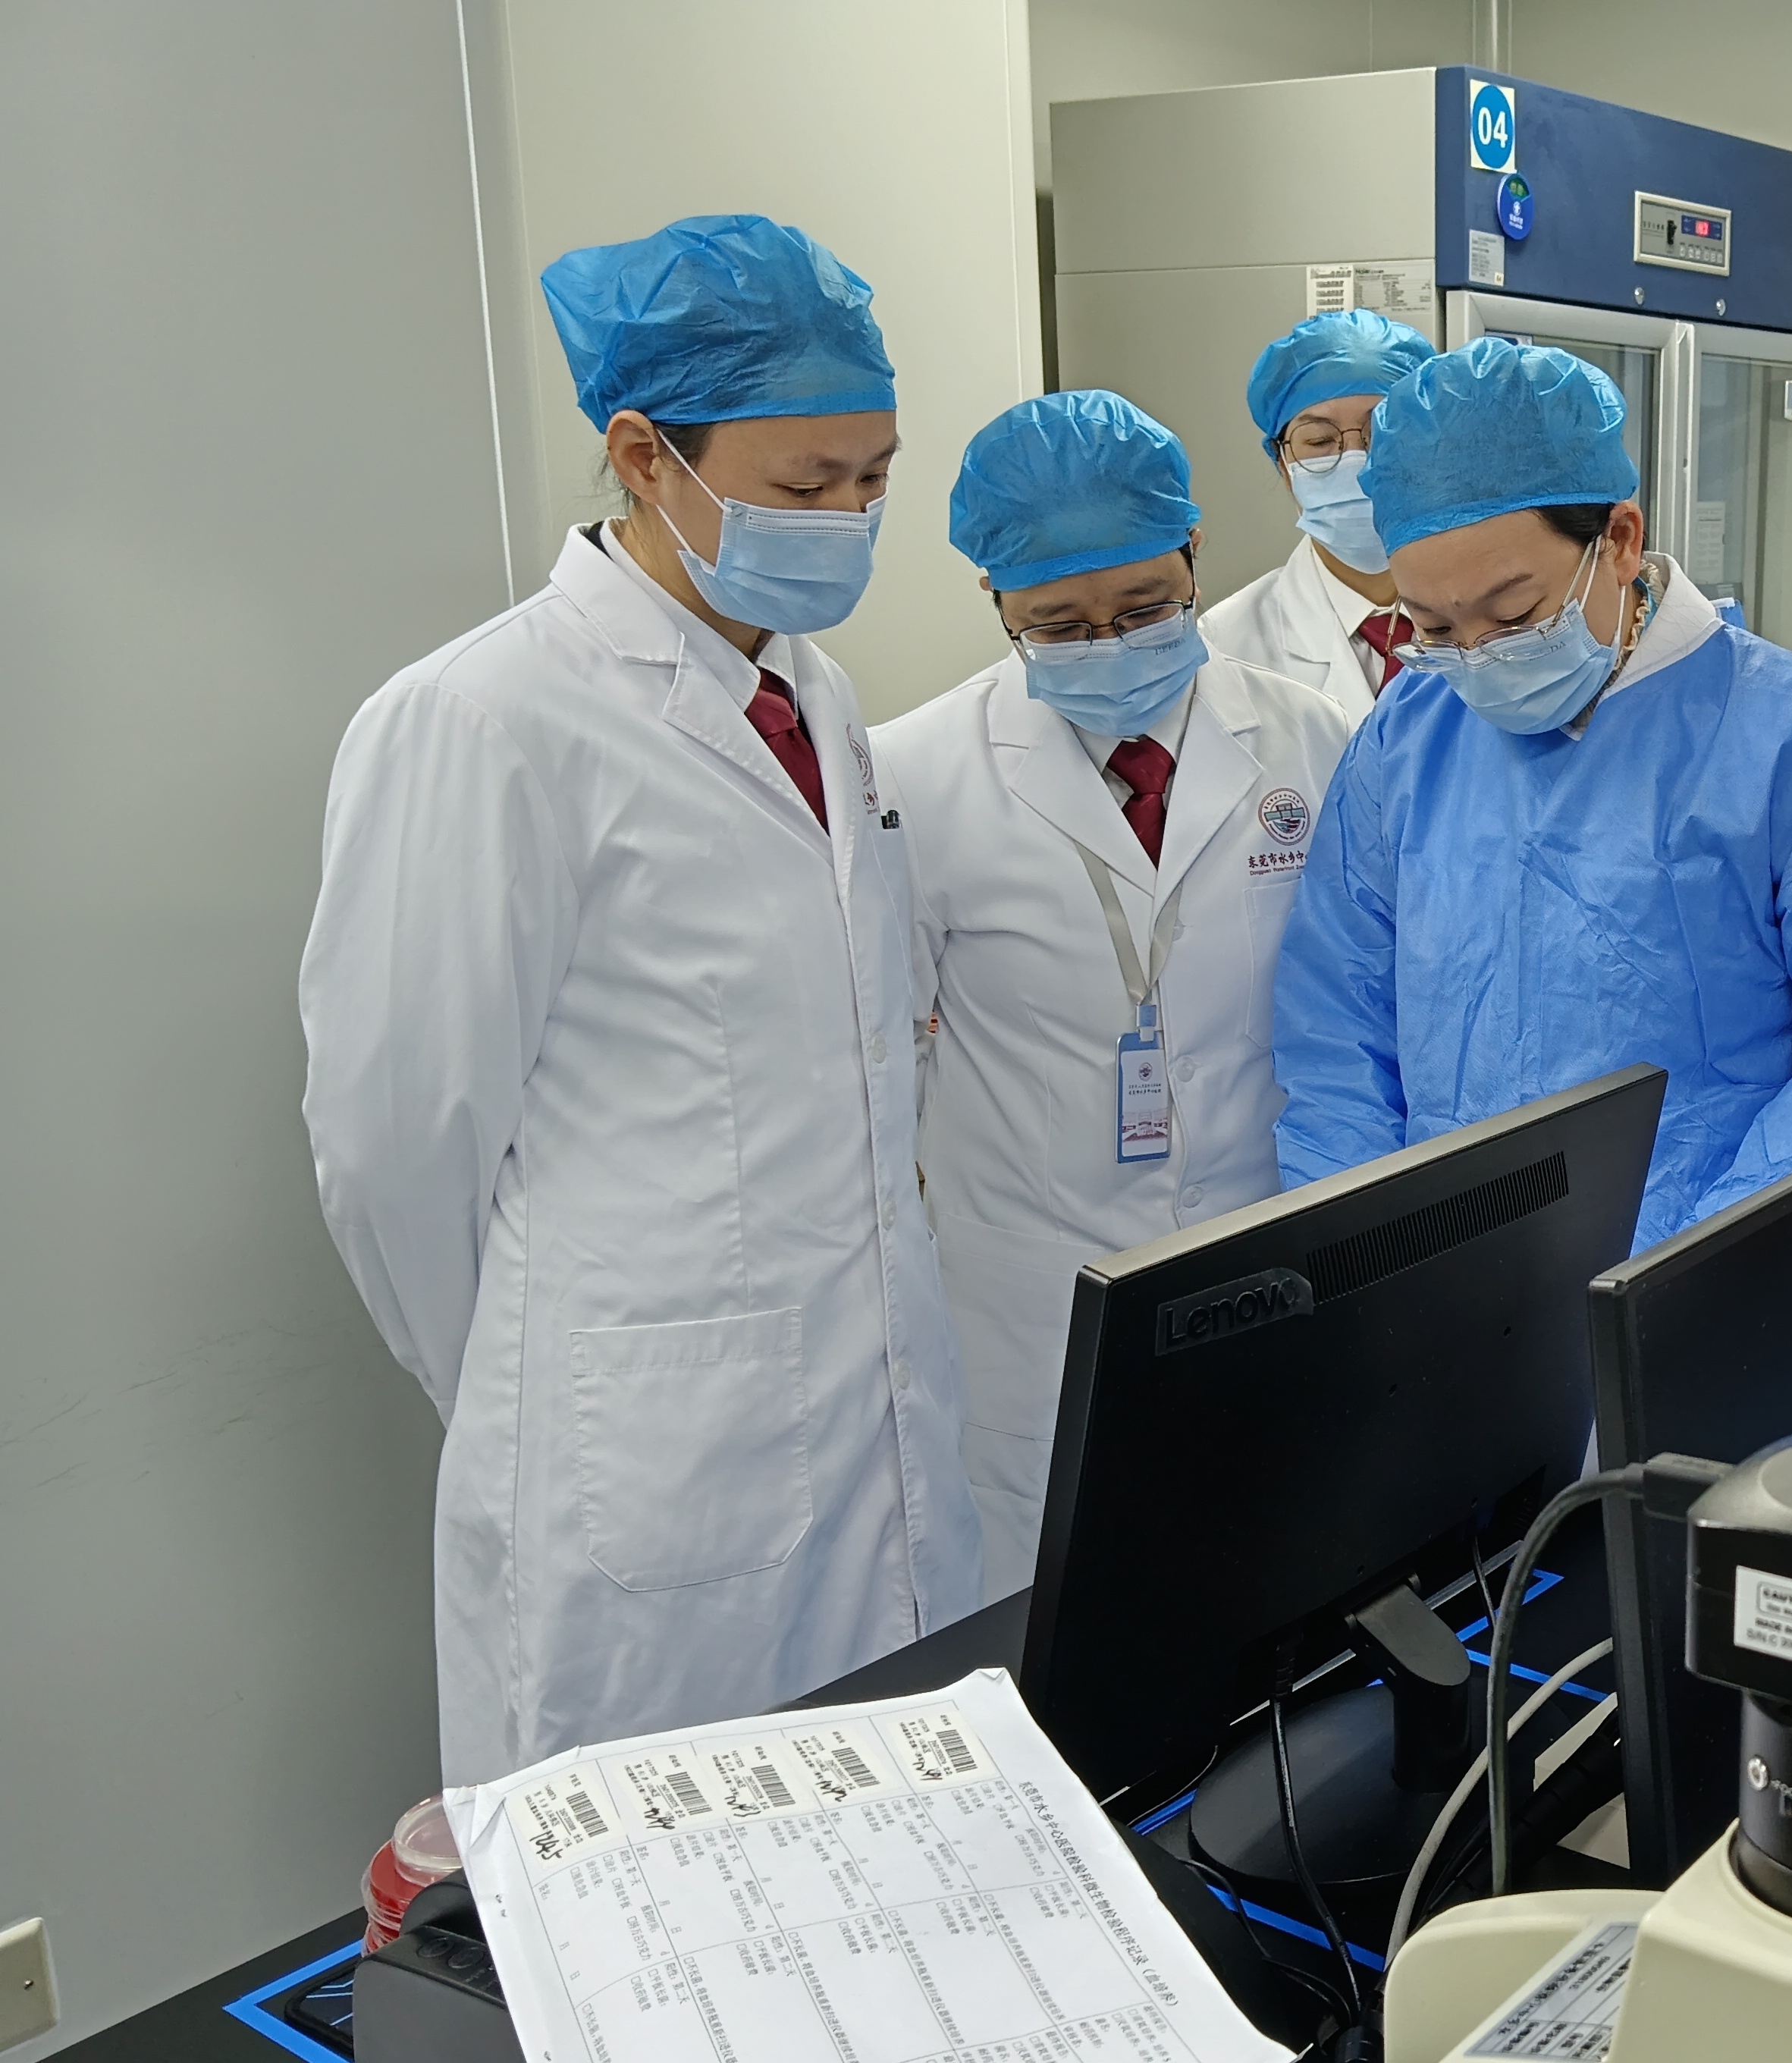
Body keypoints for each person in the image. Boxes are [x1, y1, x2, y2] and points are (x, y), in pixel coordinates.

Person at [300, 215, 980, 1785]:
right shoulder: (483, 720)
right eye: (807, 485)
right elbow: (396, 1149)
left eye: (875, 477)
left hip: (874, 1419)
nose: (850, 518)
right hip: (645, 1467)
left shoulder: (817, 695)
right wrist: (556, 1371)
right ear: (642, 455)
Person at [1272, 339, 1792, 1249]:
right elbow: (1338, 1025)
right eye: (1436, 627)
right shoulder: (1409, 733)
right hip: (1452, 1282)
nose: (1479, 656)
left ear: (1618, 540)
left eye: (1515, 614)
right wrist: (1368, 1257)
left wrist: (1691, 1268)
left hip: (1718, 1282)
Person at [873, 393, 1352, 1597]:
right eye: (1061, 626)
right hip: (1030, 1313)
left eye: (1144, 610)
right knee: (1056, 1624)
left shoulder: (1309, 740)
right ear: (998, 603)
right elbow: (886, 1066)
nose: (1111, 645)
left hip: (1267, 1258)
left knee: (1264, 1602)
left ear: (1194, 555)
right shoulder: (914, 777)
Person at [1198, 309, 1437, 721]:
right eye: (1320, 440)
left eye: (1383, 433)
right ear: (1283, 464)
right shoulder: (1226, 644)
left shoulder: (1508, 611)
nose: (1356, 463)